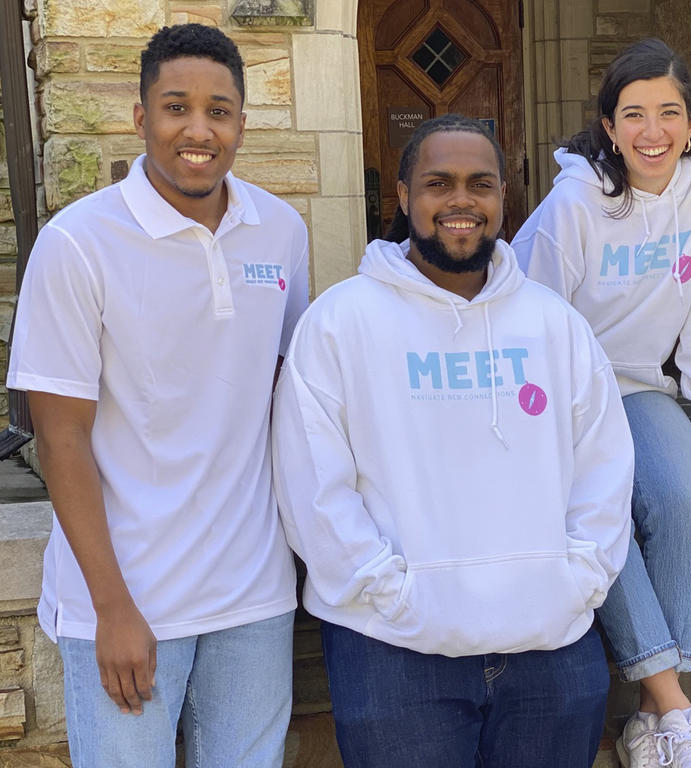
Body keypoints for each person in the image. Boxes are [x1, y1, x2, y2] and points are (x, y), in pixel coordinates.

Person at [270, 113, 634, 768]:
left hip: (551, 652)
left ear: (502, 197)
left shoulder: (555, 326)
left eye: (480, 184)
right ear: (406, 197)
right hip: (394, 654)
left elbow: (604, 470)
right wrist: (397, 598)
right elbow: (312, 490)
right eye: (439, 183)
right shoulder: (339, 325)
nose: (461, 201)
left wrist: (573, 582)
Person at [6, 23, 309, 767]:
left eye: (220, 109)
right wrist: (111, 608)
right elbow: (60, 435)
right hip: (127, 597)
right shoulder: (79, 243)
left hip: (254, 594)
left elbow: (287, 394)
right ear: (143, 117)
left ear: (242, 121)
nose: (198, 129)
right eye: (176, 107)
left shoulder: (281, 231)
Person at [511, 38, 691, 768]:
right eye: (633, 116)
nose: (651, 132)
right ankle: (674, 707)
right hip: (564, 392)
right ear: (608, 127)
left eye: (667, 113)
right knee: (602, 503)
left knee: (683, 499)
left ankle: (657, 714)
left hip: (643, 385)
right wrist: (546, 435)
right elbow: (538, 321)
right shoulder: (573, 203)